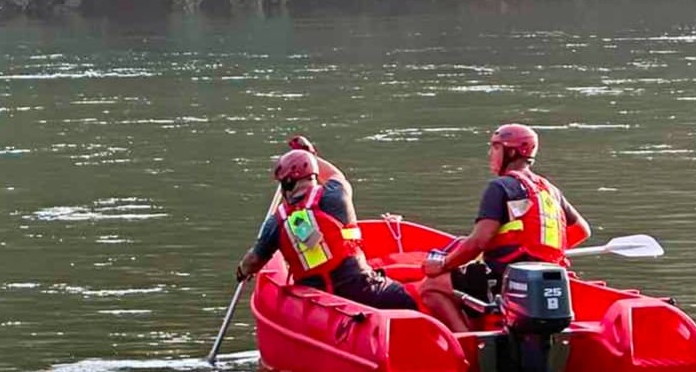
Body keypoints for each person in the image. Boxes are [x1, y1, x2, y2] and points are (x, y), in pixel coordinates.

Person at [418, 123, 590, 332]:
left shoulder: (499, 187)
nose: (491, 153)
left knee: (431, 286)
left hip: (502, 278)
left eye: (495, 147)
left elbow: (478, 241)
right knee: (469, 279)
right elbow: (582, 231)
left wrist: (443, 264)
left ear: (511, 152)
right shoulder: (550, 190)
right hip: (546, 274)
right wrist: (540, 253)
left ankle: (467, 345)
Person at [235, 139, 418, 311]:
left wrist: (242, 271)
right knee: (410, 300)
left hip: (316, 300)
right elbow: (335, 175)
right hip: (361, 288)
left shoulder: (276, 223)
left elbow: (253, 261)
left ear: (287, 183)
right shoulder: (336, 195)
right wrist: (311, 156)